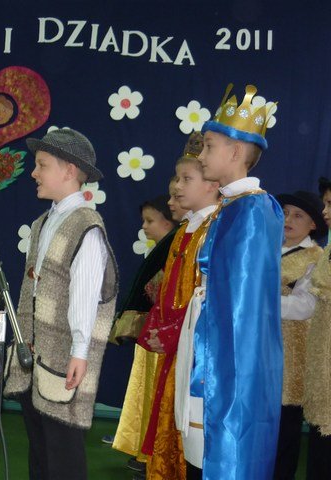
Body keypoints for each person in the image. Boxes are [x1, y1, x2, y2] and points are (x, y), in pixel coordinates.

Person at [175, 84, 283, 479]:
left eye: (208, 147)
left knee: (219, 454)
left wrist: (214, 372)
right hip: (211, 345)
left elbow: (242, 307)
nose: (201, 155)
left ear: (235, 152)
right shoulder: (232, 206)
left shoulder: (253, 210)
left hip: (226, 360)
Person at [3, 128, 118, 480]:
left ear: (69, 170)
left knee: (62, 452)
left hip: (64, 358)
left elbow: (85, 295)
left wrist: (80, 351)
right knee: (40, 450)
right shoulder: (43, 222)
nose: (34, 173)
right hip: (36, 355)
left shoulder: (87, 226)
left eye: (42, 165)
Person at [138, 132, 220, 480]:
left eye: (187, 178)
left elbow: (209, 296)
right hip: (175, 348)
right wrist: (156, 328)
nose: (177, 186)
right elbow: (169, 288)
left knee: (193, 434)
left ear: (212, 184)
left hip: (197, 353)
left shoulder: (215, 230)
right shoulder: (186, 229)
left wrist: (174, 333)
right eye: (177, 177)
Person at [112, 193, 181, 479]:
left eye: (150, 221)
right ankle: (144, 449)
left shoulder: (176, 245)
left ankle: (153, 455)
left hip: (165, 335)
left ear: (167, 221)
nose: (144, 226)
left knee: (157, 395)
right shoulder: (167, 247)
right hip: (155, 331)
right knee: (147, 392)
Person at [271, 190, 326, 480]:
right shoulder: (266, 250)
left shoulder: (315, 257)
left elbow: (306, 306)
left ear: (313, 224)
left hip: (290, 357)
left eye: (298, 215)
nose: (288, 219)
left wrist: (261, 302)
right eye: (285, 213)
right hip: (258, 351)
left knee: (284, 432)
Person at [302, 177, 331, 479]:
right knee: (320, 447)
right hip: (322, 361)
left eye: (330, 204)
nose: (325, 211)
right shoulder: (329, 250)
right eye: (324, 204)